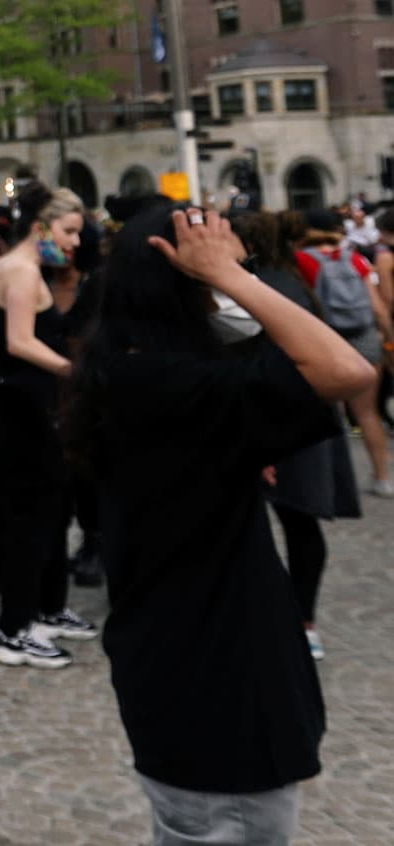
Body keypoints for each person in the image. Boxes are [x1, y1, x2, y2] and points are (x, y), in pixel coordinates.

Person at [70, 204, 374, 845]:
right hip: (220, 692)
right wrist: (233, 278)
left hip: (184, 672)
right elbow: (347, 370)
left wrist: (218, 280)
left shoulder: (128, 367)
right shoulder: (176, 383)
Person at [0, 185, 93, 670]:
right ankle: (13, 629)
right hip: (23, 405)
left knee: (45, 508)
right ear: (41, 226)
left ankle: (41, 610)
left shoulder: (5, 268)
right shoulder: (22, 272)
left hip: (11, 400)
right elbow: (20, 342)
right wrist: (74, 372)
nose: (74, 243)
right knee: (33, 516)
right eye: (68, 231)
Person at [236, 211, 361, 659]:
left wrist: (264, 444)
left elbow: (269, 364)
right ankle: (301, 619)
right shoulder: (290, 279)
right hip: (301, 417)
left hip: (286, 420)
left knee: (286, 522)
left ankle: (297, 620)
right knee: (298, 522)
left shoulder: (264, 286)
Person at [290, 209, 394, 497]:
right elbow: (378, 307)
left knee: (329, 414)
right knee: (368, 414)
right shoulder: (356, 258)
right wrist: (387, 338)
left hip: (327, 339)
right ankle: (383, 477)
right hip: (363, 338)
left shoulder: (303, 260)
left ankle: (332, 483)